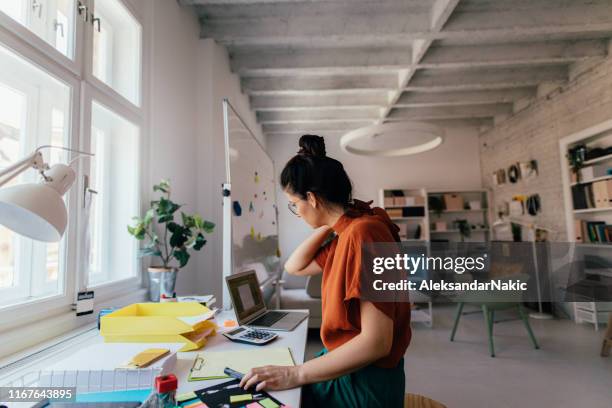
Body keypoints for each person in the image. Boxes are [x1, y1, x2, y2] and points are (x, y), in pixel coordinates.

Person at [239, 134, 412, 408]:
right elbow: (295, 266)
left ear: (312, 198)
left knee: (267, 397)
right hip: (352, 369)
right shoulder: (347, 232)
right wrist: (331, 222)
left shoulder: (364, 233)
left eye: (295, 205)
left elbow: (377, 342)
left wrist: (295, 373)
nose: (297, 211)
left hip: (365, 385)